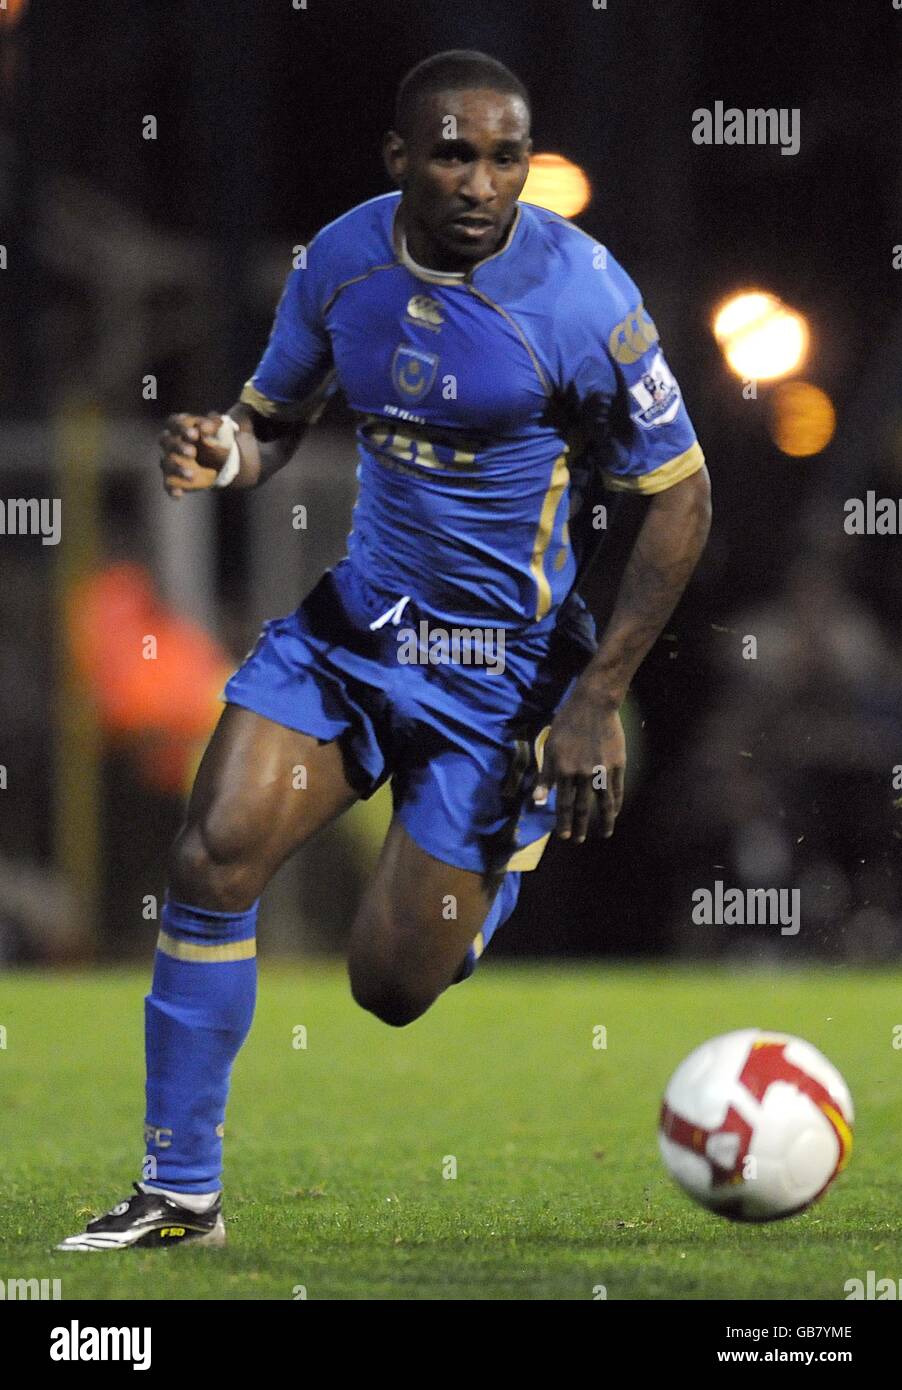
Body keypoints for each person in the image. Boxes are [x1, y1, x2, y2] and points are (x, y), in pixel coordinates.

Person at [58, 49, 711, 1251]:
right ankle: (178, 1193)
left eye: (505, 156)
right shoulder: (340, 260)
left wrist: (596, 695)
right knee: (209, 857)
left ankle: (474, 885)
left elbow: (681, 497)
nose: (481, 180)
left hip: (502, 677)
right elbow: (275, 418)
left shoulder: (580, 296)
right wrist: (224, 452)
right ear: (400, 159)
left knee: (389, 986)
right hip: (354, 634)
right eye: (454, 153)